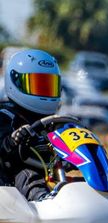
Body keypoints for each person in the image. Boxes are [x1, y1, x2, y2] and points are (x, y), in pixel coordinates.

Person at [0, 48, 62, 201]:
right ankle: (43, 202)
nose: (44, 92)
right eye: (38, 85)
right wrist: (11, 140)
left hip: (48, 177)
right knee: (26, 174)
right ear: (15, 82)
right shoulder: (5, 115)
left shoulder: (55, 122)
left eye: (49, 86)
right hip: (9, 178)